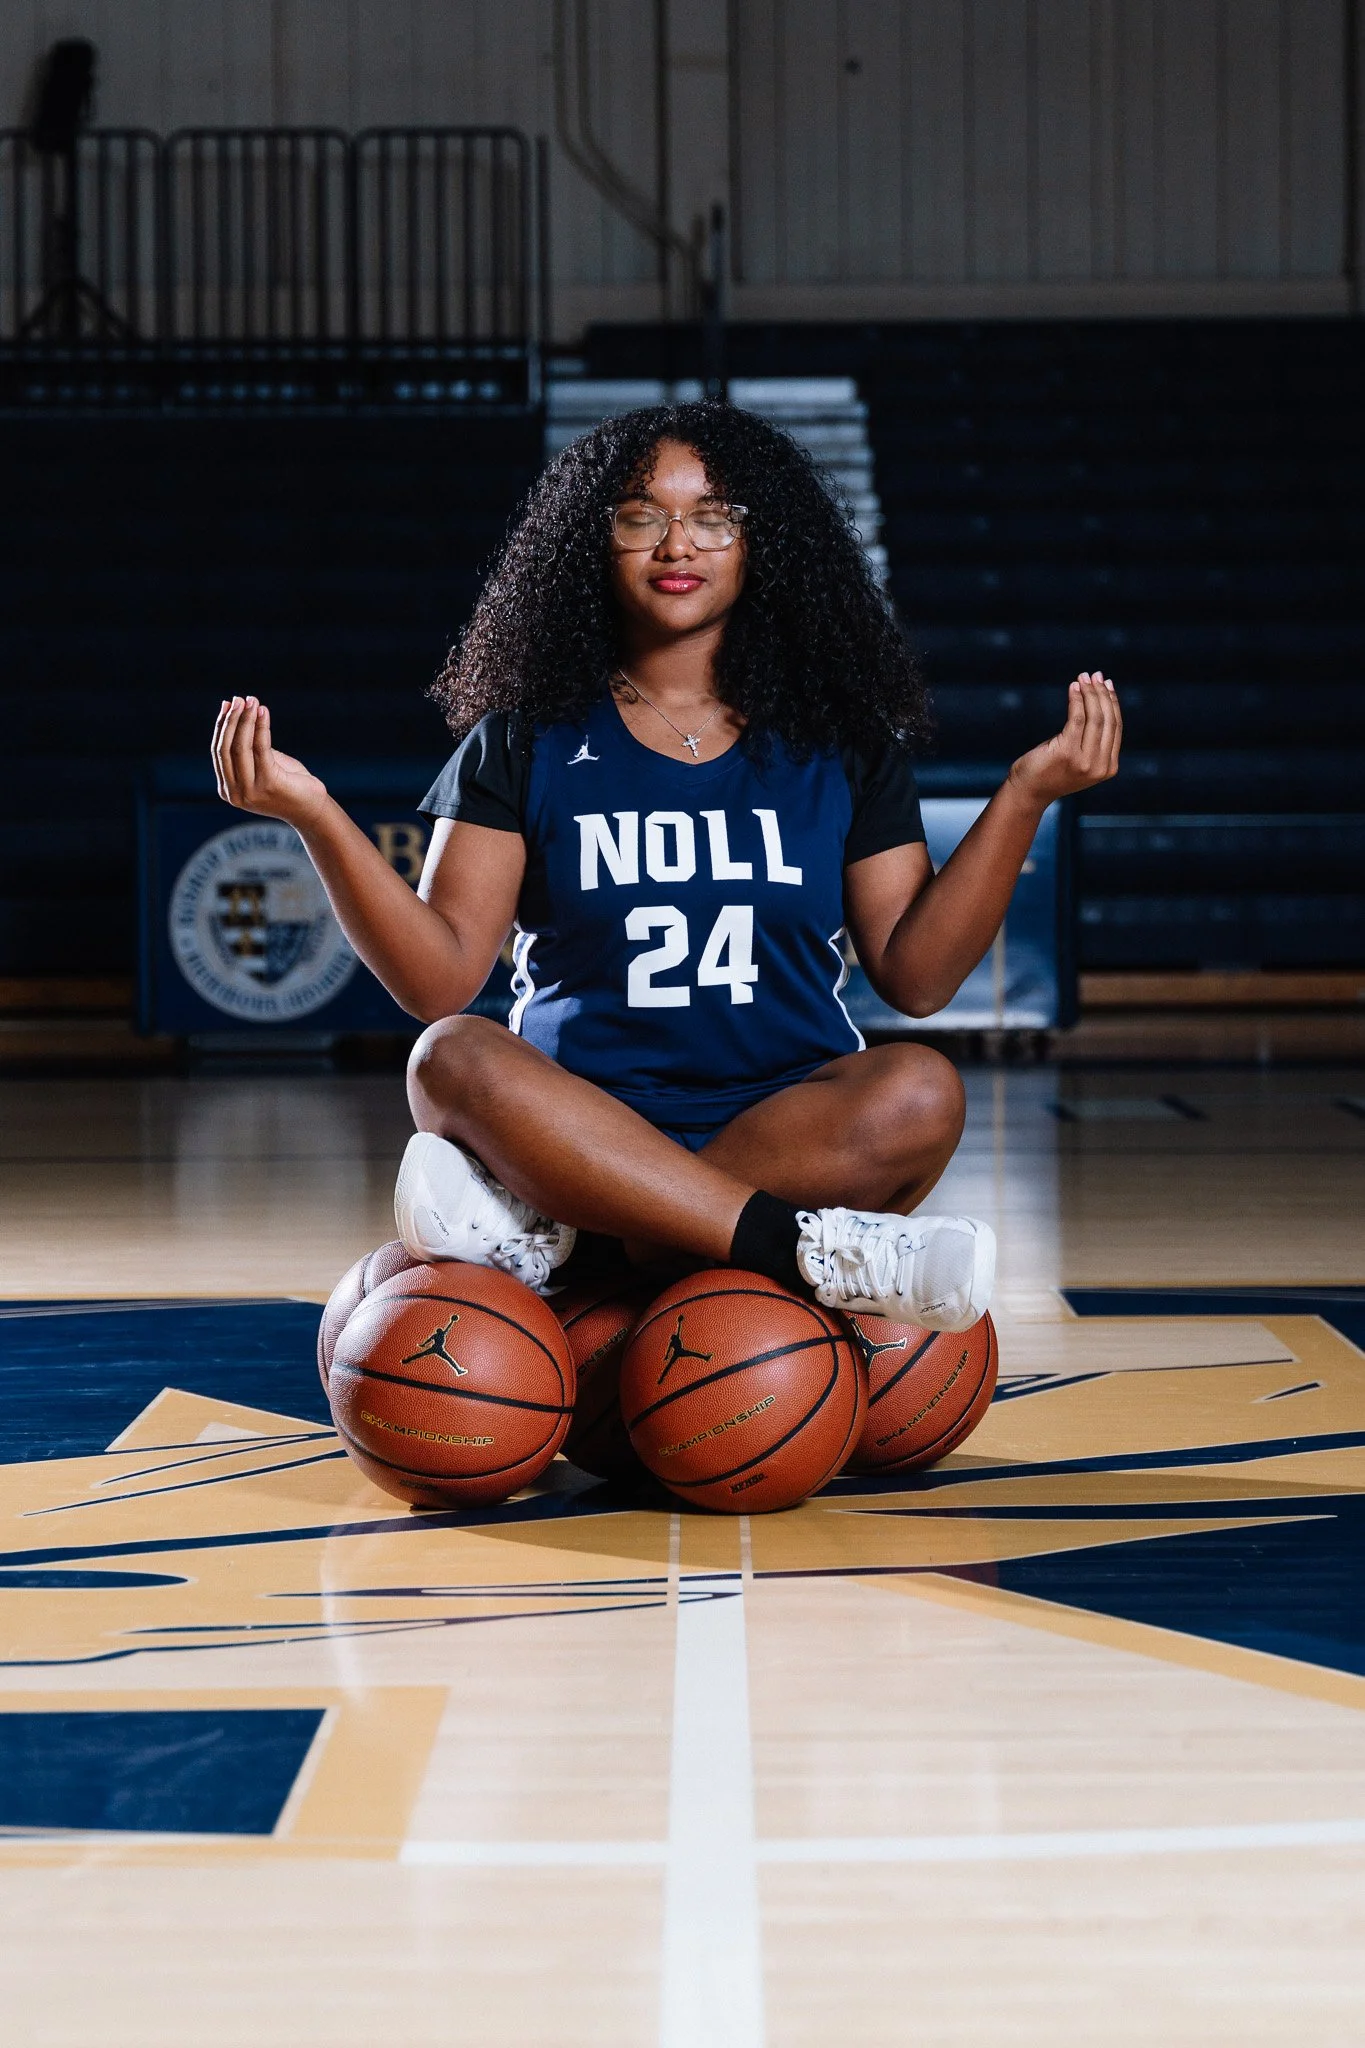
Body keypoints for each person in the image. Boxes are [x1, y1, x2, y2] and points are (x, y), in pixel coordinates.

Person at [211, 403, 1121, 1330]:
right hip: (580, 1122)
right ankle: (793, 1248)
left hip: (783, 1122)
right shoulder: (524, 740)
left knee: (922, 1088)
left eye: (712, 517)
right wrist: (312, 813)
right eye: (639, 517)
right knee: (450, 1054)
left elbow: (917, 979)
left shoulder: (840, 743)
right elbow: (437, 979)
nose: (674, 544)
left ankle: (576, 1241)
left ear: (762, 542)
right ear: (588, 544)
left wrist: (1023, 795)